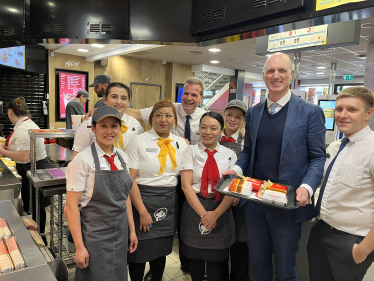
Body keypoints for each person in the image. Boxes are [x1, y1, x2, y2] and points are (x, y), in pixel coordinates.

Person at [224, 52, 326, 281]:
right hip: (255, 203)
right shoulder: (254, 112)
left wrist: (307, 187)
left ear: (291, 75)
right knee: (258, 266)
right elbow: (249, 151)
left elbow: (318, 158)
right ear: (264, 75)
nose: (276, 75)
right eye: (271, 71)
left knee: (285, 270)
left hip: (287, 205)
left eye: (281, 71)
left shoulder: (310, 112)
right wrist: (237, 171)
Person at [307, 87, 374, 281]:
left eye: (352, 110)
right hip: (321, 231)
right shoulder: (335, 147)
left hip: (351, 240)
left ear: (368, 113)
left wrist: (362, 250)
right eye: (339, 109)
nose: (343, 115)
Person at [65, 106, 138, 281]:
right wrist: (80, 247)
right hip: (95, 235)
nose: (109, 131)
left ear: (120, 128)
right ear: (93, 128)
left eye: (114, 126)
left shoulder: (122, 157)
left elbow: (125, 196)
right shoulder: (83, 160)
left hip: (120, 233)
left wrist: (132, 230)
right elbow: (71, 207)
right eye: (103, 126)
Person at [125, 100, 188, 281]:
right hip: (142, 200)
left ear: (174, 120)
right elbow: (130, 180)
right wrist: (142, 212)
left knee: (161, 252)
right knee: (138, 252)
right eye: (158, 115)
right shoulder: (138, 141)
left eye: (168, 116)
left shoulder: (181, 144)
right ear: (151, 118)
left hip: (168, 202)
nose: (163, 120)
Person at [180, 111, 237, 281]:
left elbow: (231, 188)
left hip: (220, 208)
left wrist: (216, 214)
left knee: (216, 260)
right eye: (203, 127)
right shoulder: (190, 150)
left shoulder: (230, 155)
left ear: (221, 131)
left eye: (213, 128)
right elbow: (186, 185)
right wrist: (205, 215)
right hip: (194, 207)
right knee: (195, 258)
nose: (207, 132)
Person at [0, 97, 54, 238]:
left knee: (35, 208)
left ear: (10, 111)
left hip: (33, 169)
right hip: (33, 168)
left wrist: (2, 151)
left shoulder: (23, 129)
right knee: (35, 207)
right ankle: (37, 237)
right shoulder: (26, 123)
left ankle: (39, 240)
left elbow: (23, 156)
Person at [219, 99, 251, 281]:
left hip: (239, 200)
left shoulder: (247, 141)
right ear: (224, 115)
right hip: (216, 197)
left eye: (238, 117)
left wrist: (237, 193)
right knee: (219, 243)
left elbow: (248, 170)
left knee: (239, 243)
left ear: (243, 120)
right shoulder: (213, 135)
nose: (232, 119)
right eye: (229, 115)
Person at [73, 82, 143, 157]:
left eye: (123, 98)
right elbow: (77, 156)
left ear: (129, 102)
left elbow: (140, 154)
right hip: (96, 167)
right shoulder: (89, 123)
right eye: (114, 97)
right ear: (105, 99)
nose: (119, 102)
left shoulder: (135, 125)